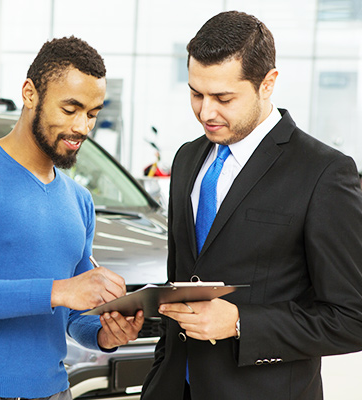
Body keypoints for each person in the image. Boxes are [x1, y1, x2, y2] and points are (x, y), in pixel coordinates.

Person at [141, 11, 362, 400]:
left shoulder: (324, 173)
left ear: (268, 84)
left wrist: (242, 322)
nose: (206, 112)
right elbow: (183, 277)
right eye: (196, 93)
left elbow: (353, 317)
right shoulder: (187, 158)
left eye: (223, 98)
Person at [0, 36, 144, 400]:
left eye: (92, 114)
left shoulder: (79, 201)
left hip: (54, 392)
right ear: (29, 93)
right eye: (70, 109)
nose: (83, 127)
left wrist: (104, 334)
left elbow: (73, 315)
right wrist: (58, 290)